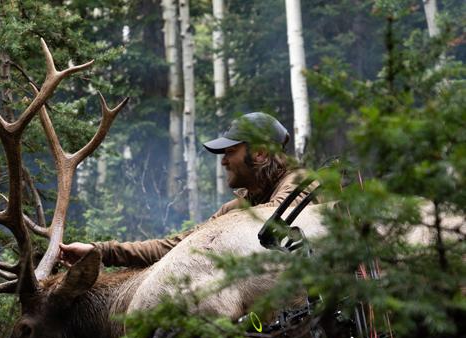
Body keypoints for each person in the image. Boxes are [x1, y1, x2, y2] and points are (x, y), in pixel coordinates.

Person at [60, 112, 316, 268]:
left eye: (229, 152)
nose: (223, 161)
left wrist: (223, 224)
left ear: (260, 153)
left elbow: (280, 217)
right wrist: (100, 251)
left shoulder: (301, 183)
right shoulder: (238, 208)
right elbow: (178, 246)